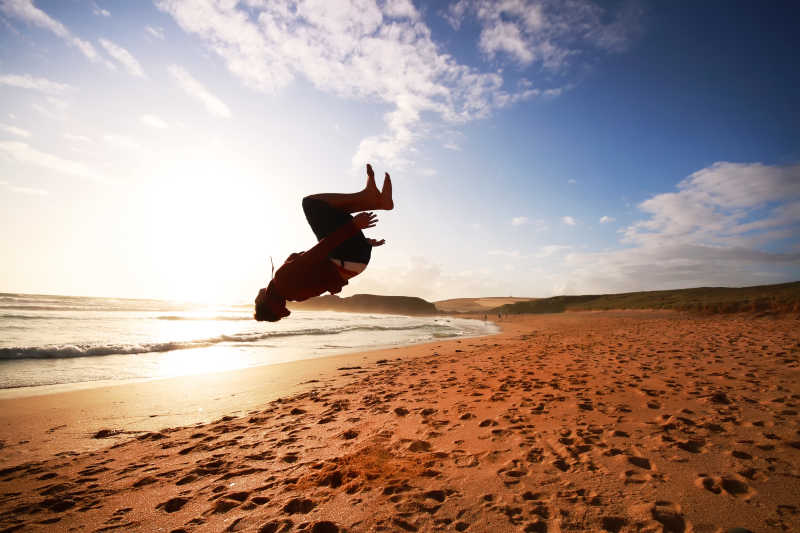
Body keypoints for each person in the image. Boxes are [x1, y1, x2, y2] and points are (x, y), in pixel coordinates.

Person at [254, 163, 393, 322]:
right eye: (256, 302)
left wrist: (363, 243)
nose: (256, 298)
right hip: (347, 257)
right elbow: (320, 251)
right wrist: (353, 227)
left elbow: (326, 275)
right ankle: (371, 199)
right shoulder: (282, 280)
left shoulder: (293, 295)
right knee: (311, 204)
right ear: (265, 302)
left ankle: (373, 199)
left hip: (354, 261)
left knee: (332, 212)